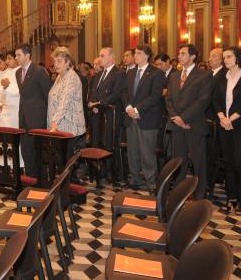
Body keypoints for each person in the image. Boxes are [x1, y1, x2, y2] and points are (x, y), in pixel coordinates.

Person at [212, 46, 241, 215]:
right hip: (224, 125)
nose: (225, 60)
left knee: (238, 163)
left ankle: (240, 200)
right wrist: (223, 118)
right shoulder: (221, 77)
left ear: (238, 58)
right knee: (228, 163)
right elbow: (215, 100)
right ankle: (230, 198)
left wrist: (231, 119)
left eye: (229, 56)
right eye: (224, 57)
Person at [166, 44, 212, 200]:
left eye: (183, 53)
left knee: (198, 161)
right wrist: (176, 119)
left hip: (194, 125)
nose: (179, 56)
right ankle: (179, 192)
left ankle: (200, 193)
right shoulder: (174, 75)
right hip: (177, 125)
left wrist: (184, 118)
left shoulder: (204, 75)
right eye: (179, 53)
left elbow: (202, 101)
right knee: (179, 161)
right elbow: (169, 100)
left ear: (193, 57)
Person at [121, 45, 167, 191]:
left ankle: (152, 183)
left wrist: (137, 109)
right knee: (132, 151)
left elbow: (154, 96)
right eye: (135, 53)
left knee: (147, 153)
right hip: (130, 117)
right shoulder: (130, 72)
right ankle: (135, 179)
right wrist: (128, 107)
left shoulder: (156, 73)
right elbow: (124, 92)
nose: (135, 56)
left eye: (139, 53)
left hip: (147, 118)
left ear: (147, 56)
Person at [87, 47, 126, 182]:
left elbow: (116, 94)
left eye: (102, 56)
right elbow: (92, 91)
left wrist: (98, 103)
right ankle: (99, 171)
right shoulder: (98, 75)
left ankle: (111, 172)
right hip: (97, 115)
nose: (100, 58)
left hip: (109, 115)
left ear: (111, 58)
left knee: (108, 143)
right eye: (100, 55)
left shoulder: (119, 73)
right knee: (97, 142)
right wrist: (92, 103)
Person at [16, 44, 52, 177]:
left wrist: (47, 118)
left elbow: (48, 94)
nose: (16, 58)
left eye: (18, 55)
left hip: (37, 119)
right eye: (16, 55)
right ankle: (30, 177)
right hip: (24, 118)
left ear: (27, 55)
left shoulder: (39, 71)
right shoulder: (18, 72)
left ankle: (40, 179)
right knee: (26, 150)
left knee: (37, 151)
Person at [47, 47, 86, 159]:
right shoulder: (59, 77)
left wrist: (54, 122)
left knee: (68, 165)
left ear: (67, 62)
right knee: (61, 162)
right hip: (59, 126)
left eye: (59, 61)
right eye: (54, 61)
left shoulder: (72, 77)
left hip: (71, 127)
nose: (56, 64)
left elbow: (65, 101)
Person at [206, 47, 227, 198]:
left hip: (216, 119)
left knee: (214, 153)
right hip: (207, 119)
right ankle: (208, 180)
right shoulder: (209, 74)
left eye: (213, 56)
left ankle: (211, 183)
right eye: (210, 56)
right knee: (208, 153)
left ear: (221, 59)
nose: (210, 59)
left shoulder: (223, 75)